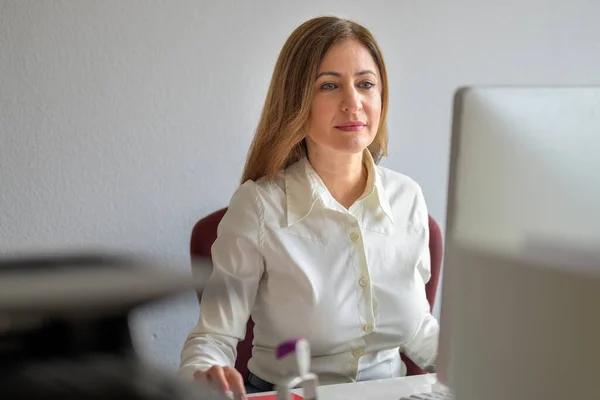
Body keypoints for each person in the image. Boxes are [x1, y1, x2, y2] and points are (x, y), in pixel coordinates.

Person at [180, 15, 439, 398]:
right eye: (329, 86)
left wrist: (482, 366)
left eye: (366, 84)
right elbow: (213, 337)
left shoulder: (408, 197)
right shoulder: (259, 206)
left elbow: (416, 326)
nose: (354, 103)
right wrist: (205, 374)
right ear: (297, 101)